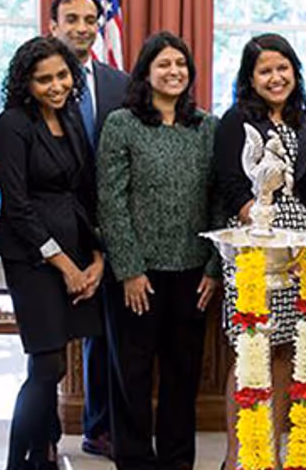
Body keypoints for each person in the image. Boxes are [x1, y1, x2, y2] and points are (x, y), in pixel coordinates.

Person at [98, 31, 220, 470]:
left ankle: (176, 462)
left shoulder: (207, 126)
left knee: (181, 378)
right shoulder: (122, 124)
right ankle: (133, 461)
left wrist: (212, 268)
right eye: (164, 64)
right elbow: (110, 201)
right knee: (130, 374)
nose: (174, 72)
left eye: (181, 64)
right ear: (146, 72)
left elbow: (220, 200)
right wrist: (129, 269)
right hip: (137, 276)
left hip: (193, 274)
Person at [214, 33, 306, 468]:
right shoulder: (234, 122)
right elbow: (230, 186)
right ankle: (238, 457)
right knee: (250, 346)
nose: (275, 77)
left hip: (302, 256)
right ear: (250, 78)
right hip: (252, 251)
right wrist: (269, 232)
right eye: (265, 70)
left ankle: (276, 454)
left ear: (295, 73)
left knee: (286, 349)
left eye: (282, 68)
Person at [0, 36, 105, 470]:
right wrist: (64, 266)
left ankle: (43, 455)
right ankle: (17, 463)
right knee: (46, 361)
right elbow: (17, 206)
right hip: (31, 256)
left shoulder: (72, 116)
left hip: (76, 250)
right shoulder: (12, 124)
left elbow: (83, 191)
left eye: (61, 75)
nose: (56, 85)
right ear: (26, 82)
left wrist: (96, 258)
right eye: (44, 80)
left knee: (53, 364)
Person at [47, 0, 128, 459]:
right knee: (50, 338)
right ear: (54, 26)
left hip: (106, 225)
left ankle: (100, 426)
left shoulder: (120, 84)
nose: (81, 27)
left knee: (107, 331)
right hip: (53, 228)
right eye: (71, 19)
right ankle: (45, 433)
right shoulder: (39, 79)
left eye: (89, 19)